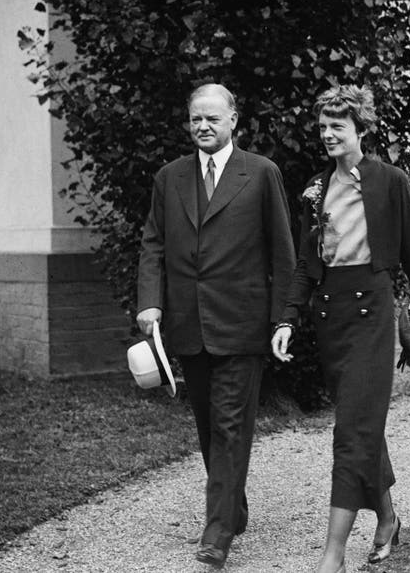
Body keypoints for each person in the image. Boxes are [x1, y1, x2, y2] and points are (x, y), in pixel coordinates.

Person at [271, 85, 410, 573]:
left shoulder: (389, 181)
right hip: (330, 320)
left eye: (337, 127)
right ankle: (387, 518)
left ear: (360, 130)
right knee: (362, 427)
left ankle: (332, 555)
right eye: (322, 127)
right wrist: (287, 318)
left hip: (372, 314)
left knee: (350, 433)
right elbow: (307, 262)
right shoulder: (316, 189)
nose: (327, 135)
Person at [135, 83, 295, 568]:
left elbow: (283, 252)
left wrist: (283, 317)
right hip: (188, 325)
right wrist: (149, 303)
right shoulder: (170, 177)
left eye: (213, 118)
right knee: (208, 425)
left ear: (233, 122)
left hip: (242, 324)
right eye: (195, 119)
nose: (203, 126)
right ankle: (233, 506)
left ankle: (217, 531)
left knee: (230, 425)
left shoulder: (261, 173)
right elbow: (153, 244)